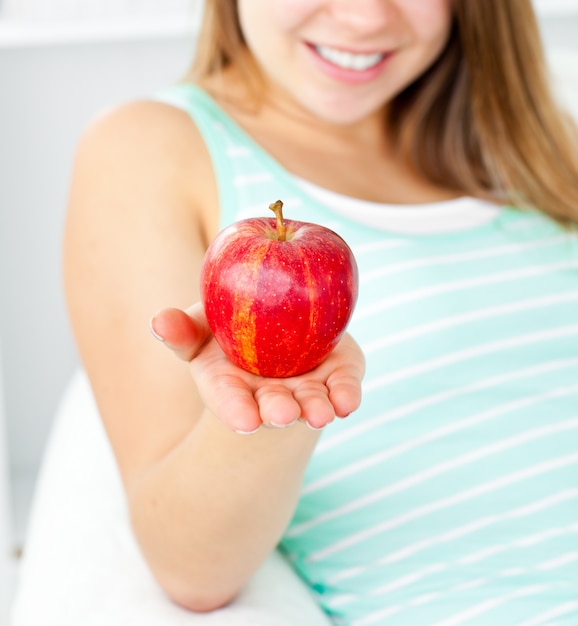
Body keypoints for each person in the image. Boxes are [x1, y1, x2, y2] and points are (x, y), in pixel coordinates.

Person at [14, 1, 578, 624]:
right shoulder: (151, 145)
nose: (364, 19)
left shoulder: (542, 143)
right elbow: (190, 568)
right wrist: (277, 403)